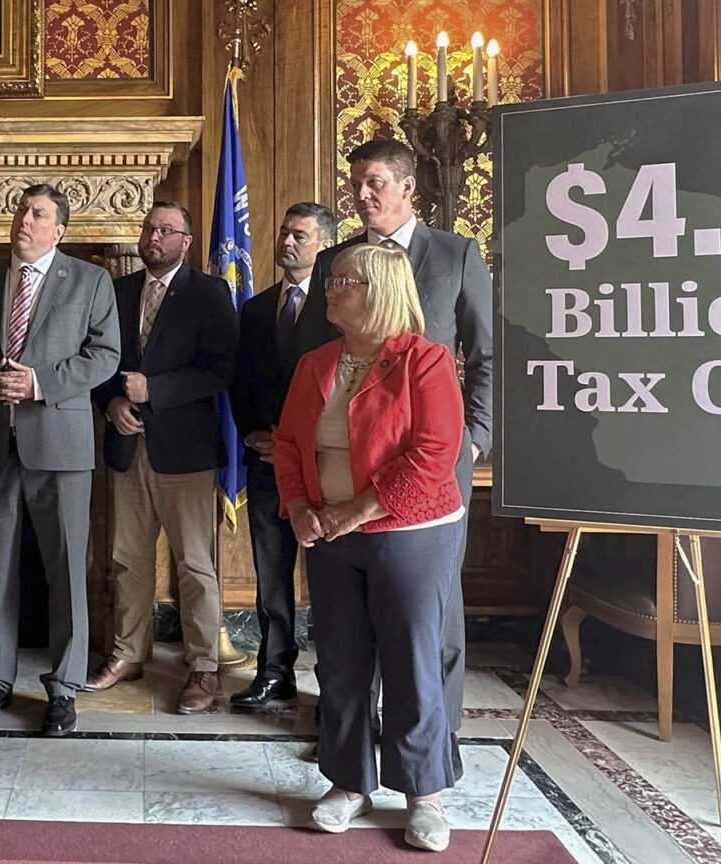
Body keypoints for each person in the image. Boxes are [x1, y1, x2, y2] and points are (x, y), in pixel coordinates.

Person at [275, 243, 463, 851]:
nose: (329, 290)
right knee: (342, 660)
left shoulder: (425, 361)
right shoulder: (315, 363)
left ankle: (424, 794)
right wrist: (302, 509)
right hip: (330, 534)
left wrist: (355, 511)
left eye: (343, 282)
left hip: (407, 533)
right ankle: (349, 783)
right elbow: (287, 445)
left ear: (378, 290)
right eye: (330, 282)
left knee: (412, 659)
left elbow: (434, 454)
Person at [314, 138, 492, 776]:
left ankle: (428, 757)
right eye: (356, 181)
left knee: (431, 619)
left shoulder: (455, 254)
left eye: (375, 182)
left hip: (433, 467)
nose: (362, 194)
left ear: (408, 186)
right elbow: (316, 360)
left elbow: (486, 355)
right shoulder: (335, 260)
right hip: (348, 472)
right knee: (348, 631)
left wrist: (475, 436)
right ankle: (350, 761)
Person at [0, 183, 120, 737]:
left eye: (38, 214)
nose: (24, 220)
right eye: (21, 211)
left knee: (66, 568)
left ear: (59, 230)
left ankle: (64, 687)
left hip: (60, 442)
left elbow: (105, 355)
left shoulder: (91, 280)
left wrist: (39, 383)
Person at [84, 202, 237, 714]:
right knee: (126, 558)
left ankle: (203, 667)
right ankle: (129, 653)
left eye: (166, 230)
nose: (154, 237)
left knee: (194, 563)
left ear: (186, 241)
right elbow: (100, 361)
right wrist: (112, 401)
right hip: (127, 448)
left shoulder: (209, 293)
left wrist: (155, 389)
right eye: (149, 228)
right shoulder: (119, 290)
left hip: (187, 452)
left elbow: (220, 371)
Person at [228, 202, 339, 710]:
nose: (287, 242)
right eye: (284, 232)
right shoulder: (255, 308)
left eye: (300, 234)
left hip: (324, 468)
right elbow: (240, 382)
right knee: (271, 573)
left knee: (331, 583)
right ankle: (275, 671)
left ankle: (337, 687)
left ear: (324, 244)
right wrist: (253, 435)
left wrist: (304, 444)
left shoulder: (340, 306)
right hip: (267, 463)